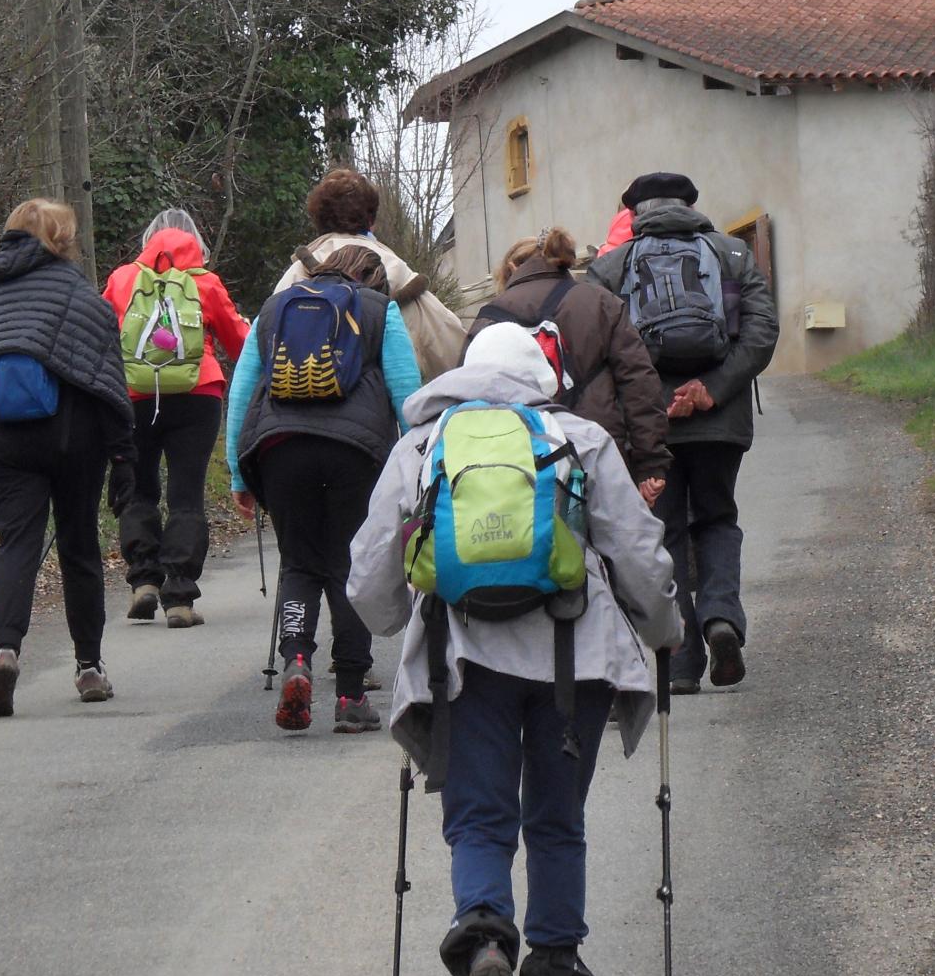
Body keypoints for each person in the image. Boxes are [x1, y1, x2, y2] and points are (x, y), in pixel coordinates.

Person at [348, 324, 683, 976]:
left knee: (479, 816)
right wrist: (664, 630)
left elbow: (372, 571)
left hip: (462, 659)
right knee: (557, 819)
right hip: (578, 658)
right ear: (542, 376)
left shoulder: (422, 447)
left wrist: (394, 623)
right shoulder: (578, 438)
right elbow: (636, 550)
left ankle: (488, 941)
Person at [589, 171, 778, 693]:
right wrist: (711, 389)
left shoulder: (609, 268)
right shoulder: (731, 255)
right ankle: (721, 618)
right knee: (717, 517)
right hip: (720, 419)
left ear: (634, 212)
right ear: (690, 205)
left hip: (652, 424)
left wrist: (649, 401)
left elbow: (596, 354)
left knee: (664, 531)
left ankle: (681, 662)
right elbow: (762, 332)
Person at [0, 198, 136, 717]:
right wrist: (124, 458)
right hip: (75, 438)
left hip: (6, 437)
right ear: (62, 239)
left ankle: (6, 652)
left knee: (17, 547)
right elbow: (108, 380)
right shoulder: (80, 294)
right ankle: (89, 668)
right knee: (78, 548)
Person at [228, 245, 421, 735]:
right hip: (355, 453)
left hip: (280, 448)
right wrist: (419, 468)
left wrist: (238, 471)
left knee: (298, 562)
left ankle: (296, 658)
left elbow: (242, 389)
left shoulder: (276, 307)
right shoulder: (380, 310)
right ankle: (352, 695)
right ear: (374, 280)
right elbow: (407, 391)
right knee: (346, 565)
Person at [103, 208, 249, 628]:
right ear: (195, 240)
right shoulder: (205, 281)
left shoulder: (123, 279)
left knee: (139, 487)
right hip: (197, 393)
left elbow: (101, 335)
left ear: (148, 240)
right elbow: (239, 342)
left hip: (135, 394)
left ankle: (144, 580)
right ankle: (180, 595)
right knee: (186, 492)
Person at [464, 226, 671, 506]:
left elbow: (466, 396)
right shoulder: (600, 302)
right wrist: (650, 462)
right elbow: (638, 382)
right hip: (597, 455)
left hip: (517, 462)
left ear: (512, 268)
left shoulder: (487, 319)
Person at [272, 167, 467, 379]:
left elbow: (261, 346)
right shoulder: (400, 275)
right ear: (372, 221)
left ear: (318, 221)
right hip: (381, 408)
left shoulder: (294, 277)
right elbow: (458, 357)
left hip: (300, 406)